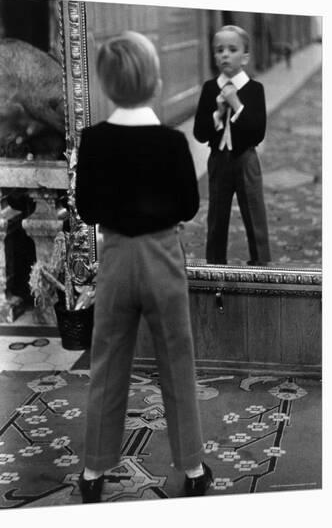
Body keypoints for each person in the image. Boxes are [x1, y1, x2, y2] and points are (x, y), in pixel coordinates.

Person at [75, 31, 212, 503]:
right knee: (177, 361)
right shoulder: (172, 143)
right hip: (162, 258)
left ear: (107, 86)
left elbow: (87, 208)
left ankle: (93, 472)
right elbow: (190, 206)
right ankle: (193, 467)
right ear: (155, 83)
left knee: (107, 363)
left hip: (115, 260)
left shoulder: (91, 141)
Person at [194, 25, 271, 266]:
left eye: (232, 49)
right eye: (219, 50)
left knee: (254, 215)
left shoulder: (255, 89)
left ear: (245, 57)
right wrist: (217, 113)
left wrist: (237, 105)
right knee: (216, 218)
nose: (225, 54)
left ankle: (261, 265)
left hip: (246, 160)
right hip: (218, 160)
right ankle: (215, 266)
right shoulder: (209, 89)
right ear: (214, 56)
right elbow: (199, 133)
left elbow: (257, 133)